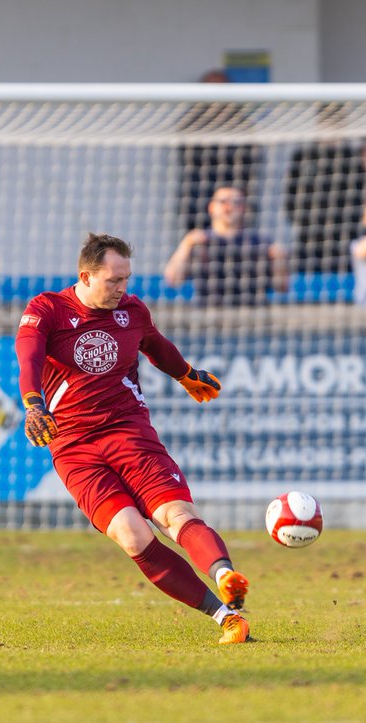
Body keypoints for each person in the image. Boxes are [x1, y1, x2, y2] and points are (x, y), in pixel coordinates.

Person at [16, 233, 251, 645]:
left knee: (175, 515)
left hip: (129, 431)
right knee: (132, 534)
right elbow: (29, 357)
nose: (122, 288)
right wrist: (34, 404)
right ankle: (226, 618)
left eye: (126, 279)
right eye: (114, 280)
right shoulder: (47, 309)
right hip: (74, 446)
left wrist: (186, 374)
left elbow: (156, 345)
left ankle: (225, 574)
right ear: (86, 276)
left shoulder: (132, 310)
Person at [164, 185, 289, 306]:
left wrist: (279, 260)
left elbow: (282, 287)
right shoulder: (199, 241)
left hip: (251, 314)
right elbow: (172, 280)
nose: (229, 207)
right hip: (207, 314)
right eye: (223, 201)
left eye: (236, 202)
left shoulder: (260, 243)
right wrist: (186, 245)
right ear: (211, 207)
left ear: (243, 208)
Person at [176, 68, 263, 232]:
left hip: (234, 189)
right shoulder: (192, 122)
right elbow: (187, 155)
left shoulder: (241, 122)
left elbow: (249, 159)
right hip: (200, 192)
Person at [283, 102, 364, 274]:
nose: (332, 125)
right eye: (328, 119)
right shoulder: (303, 156)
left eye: (337, 120)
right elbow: (290, 198)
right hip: (309, 239)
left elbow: (360, 196)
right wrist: (305, 222)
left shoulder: (352, 158)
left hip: (344, 239)